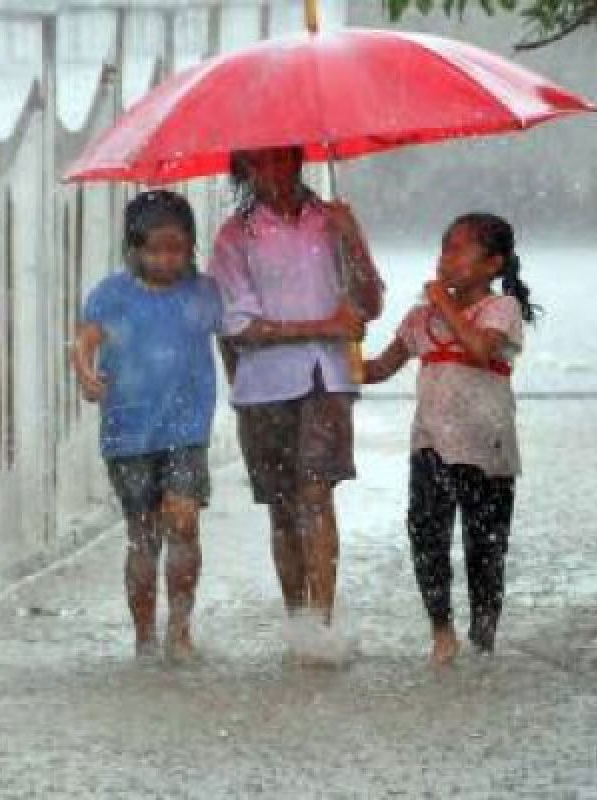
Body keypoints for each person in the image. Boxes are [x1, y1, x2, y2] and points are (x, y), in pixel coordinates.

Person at [208, 145, 383, 661]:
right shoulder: (235, 236)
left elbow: (370, 303)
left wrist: (353, 239)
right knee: (283, 508)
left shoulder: (332, 223)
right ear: (245, 170)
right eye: (262, 163)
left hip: (326, 382)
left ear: (300, 160)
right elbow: (240, 325)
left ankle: (322, 625)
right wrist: (321, 327)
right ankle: (298, 619)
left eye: (285, 159)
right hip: (263, 387)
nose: (276, 172)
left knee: (316, 496)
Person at [363, 212, 536, 666]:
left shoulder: (502, 310)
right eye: (444, 248)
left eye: (460, 249)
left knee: (486, 548)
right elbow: (378, 369)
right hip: (431, 445)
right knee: (427, 536)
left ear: (493, 264)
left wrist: (443, 303)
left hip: (486, 449)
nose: (447, 258)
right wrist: (340, 345)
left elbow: (481, 351)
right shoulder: (419, 319)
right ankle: (441, 631)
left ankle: (483, 636)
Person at [70, 190, 223, 663]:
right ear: (133, 248)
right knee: (142, 534)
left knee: (184, 521)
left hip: (186, 429)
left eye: (176, 248)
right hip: (128, 431)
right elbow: (83, 342)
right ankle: (143, 638)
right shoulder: (112, 294)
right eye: (154, 249)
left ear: (191, 247)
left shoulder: (204, 293)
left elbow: (236, 340)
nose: (165, 259)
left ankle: (179, 628)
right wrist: (86, 374)